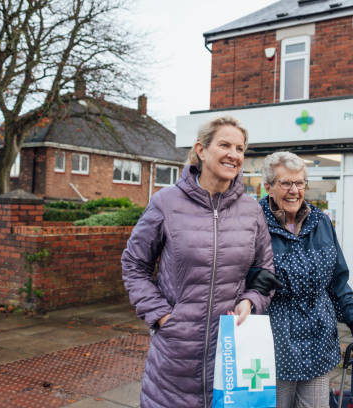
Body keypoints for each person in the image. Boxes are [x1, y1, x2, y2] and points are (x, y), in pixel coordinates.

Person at [122, 116, 277, 408]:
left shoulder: (251, 210)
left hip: (232, 358)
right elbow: (134, 264)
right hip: (174, 360)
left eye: (240, 148)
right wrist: (162, 316)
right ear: (201, 150)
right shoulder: (166, 203)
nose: (234, 154)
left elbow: (265, 270)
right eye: (225, 145)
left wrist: (251, 301)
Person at [254, 151, 353, 408]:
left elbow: (338, 279)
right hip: (275, 339)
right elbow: (232, 271)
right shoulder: (253, 222)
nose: (294, 190)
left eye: (299, 183)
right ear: (268, 187)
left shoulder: (321, 222)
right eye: (286, 183)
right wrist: (252, 276)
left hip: (318, 338)